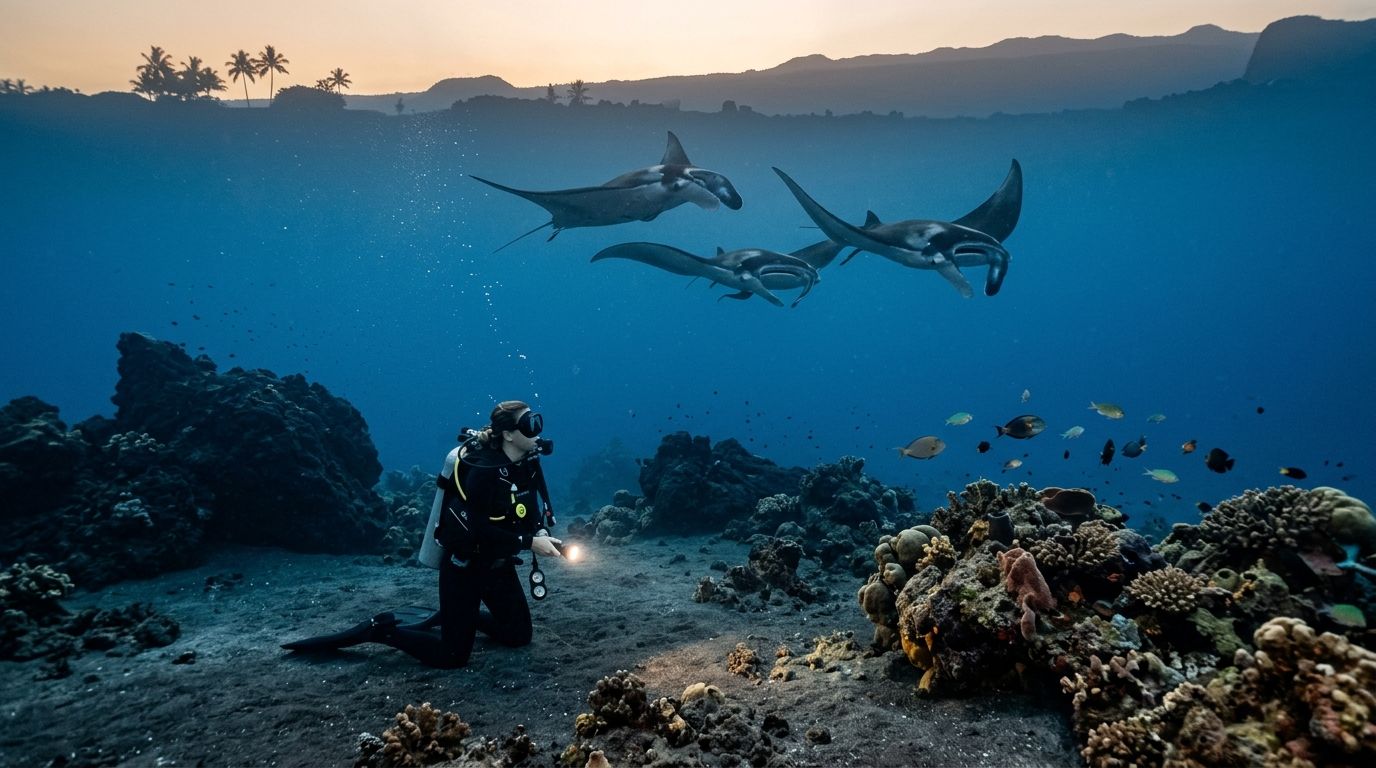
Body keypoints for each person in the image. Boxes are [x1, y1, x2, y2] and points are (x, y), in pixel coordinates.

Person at [282, 400, 563, 668]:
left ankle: (455, 617)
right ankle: (381, 630)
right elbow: (475, 529)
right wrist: (528, 542)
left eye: (536, 421)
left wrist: (538, 530)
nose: (537, 430)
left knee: (518, 636)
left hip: (498, 567)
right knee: (451, 657)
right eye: (528, 424)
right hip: (464, 568)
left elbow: (529, 508)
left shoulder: (526, 464)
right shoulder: (482, 471)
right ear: (509, 435)